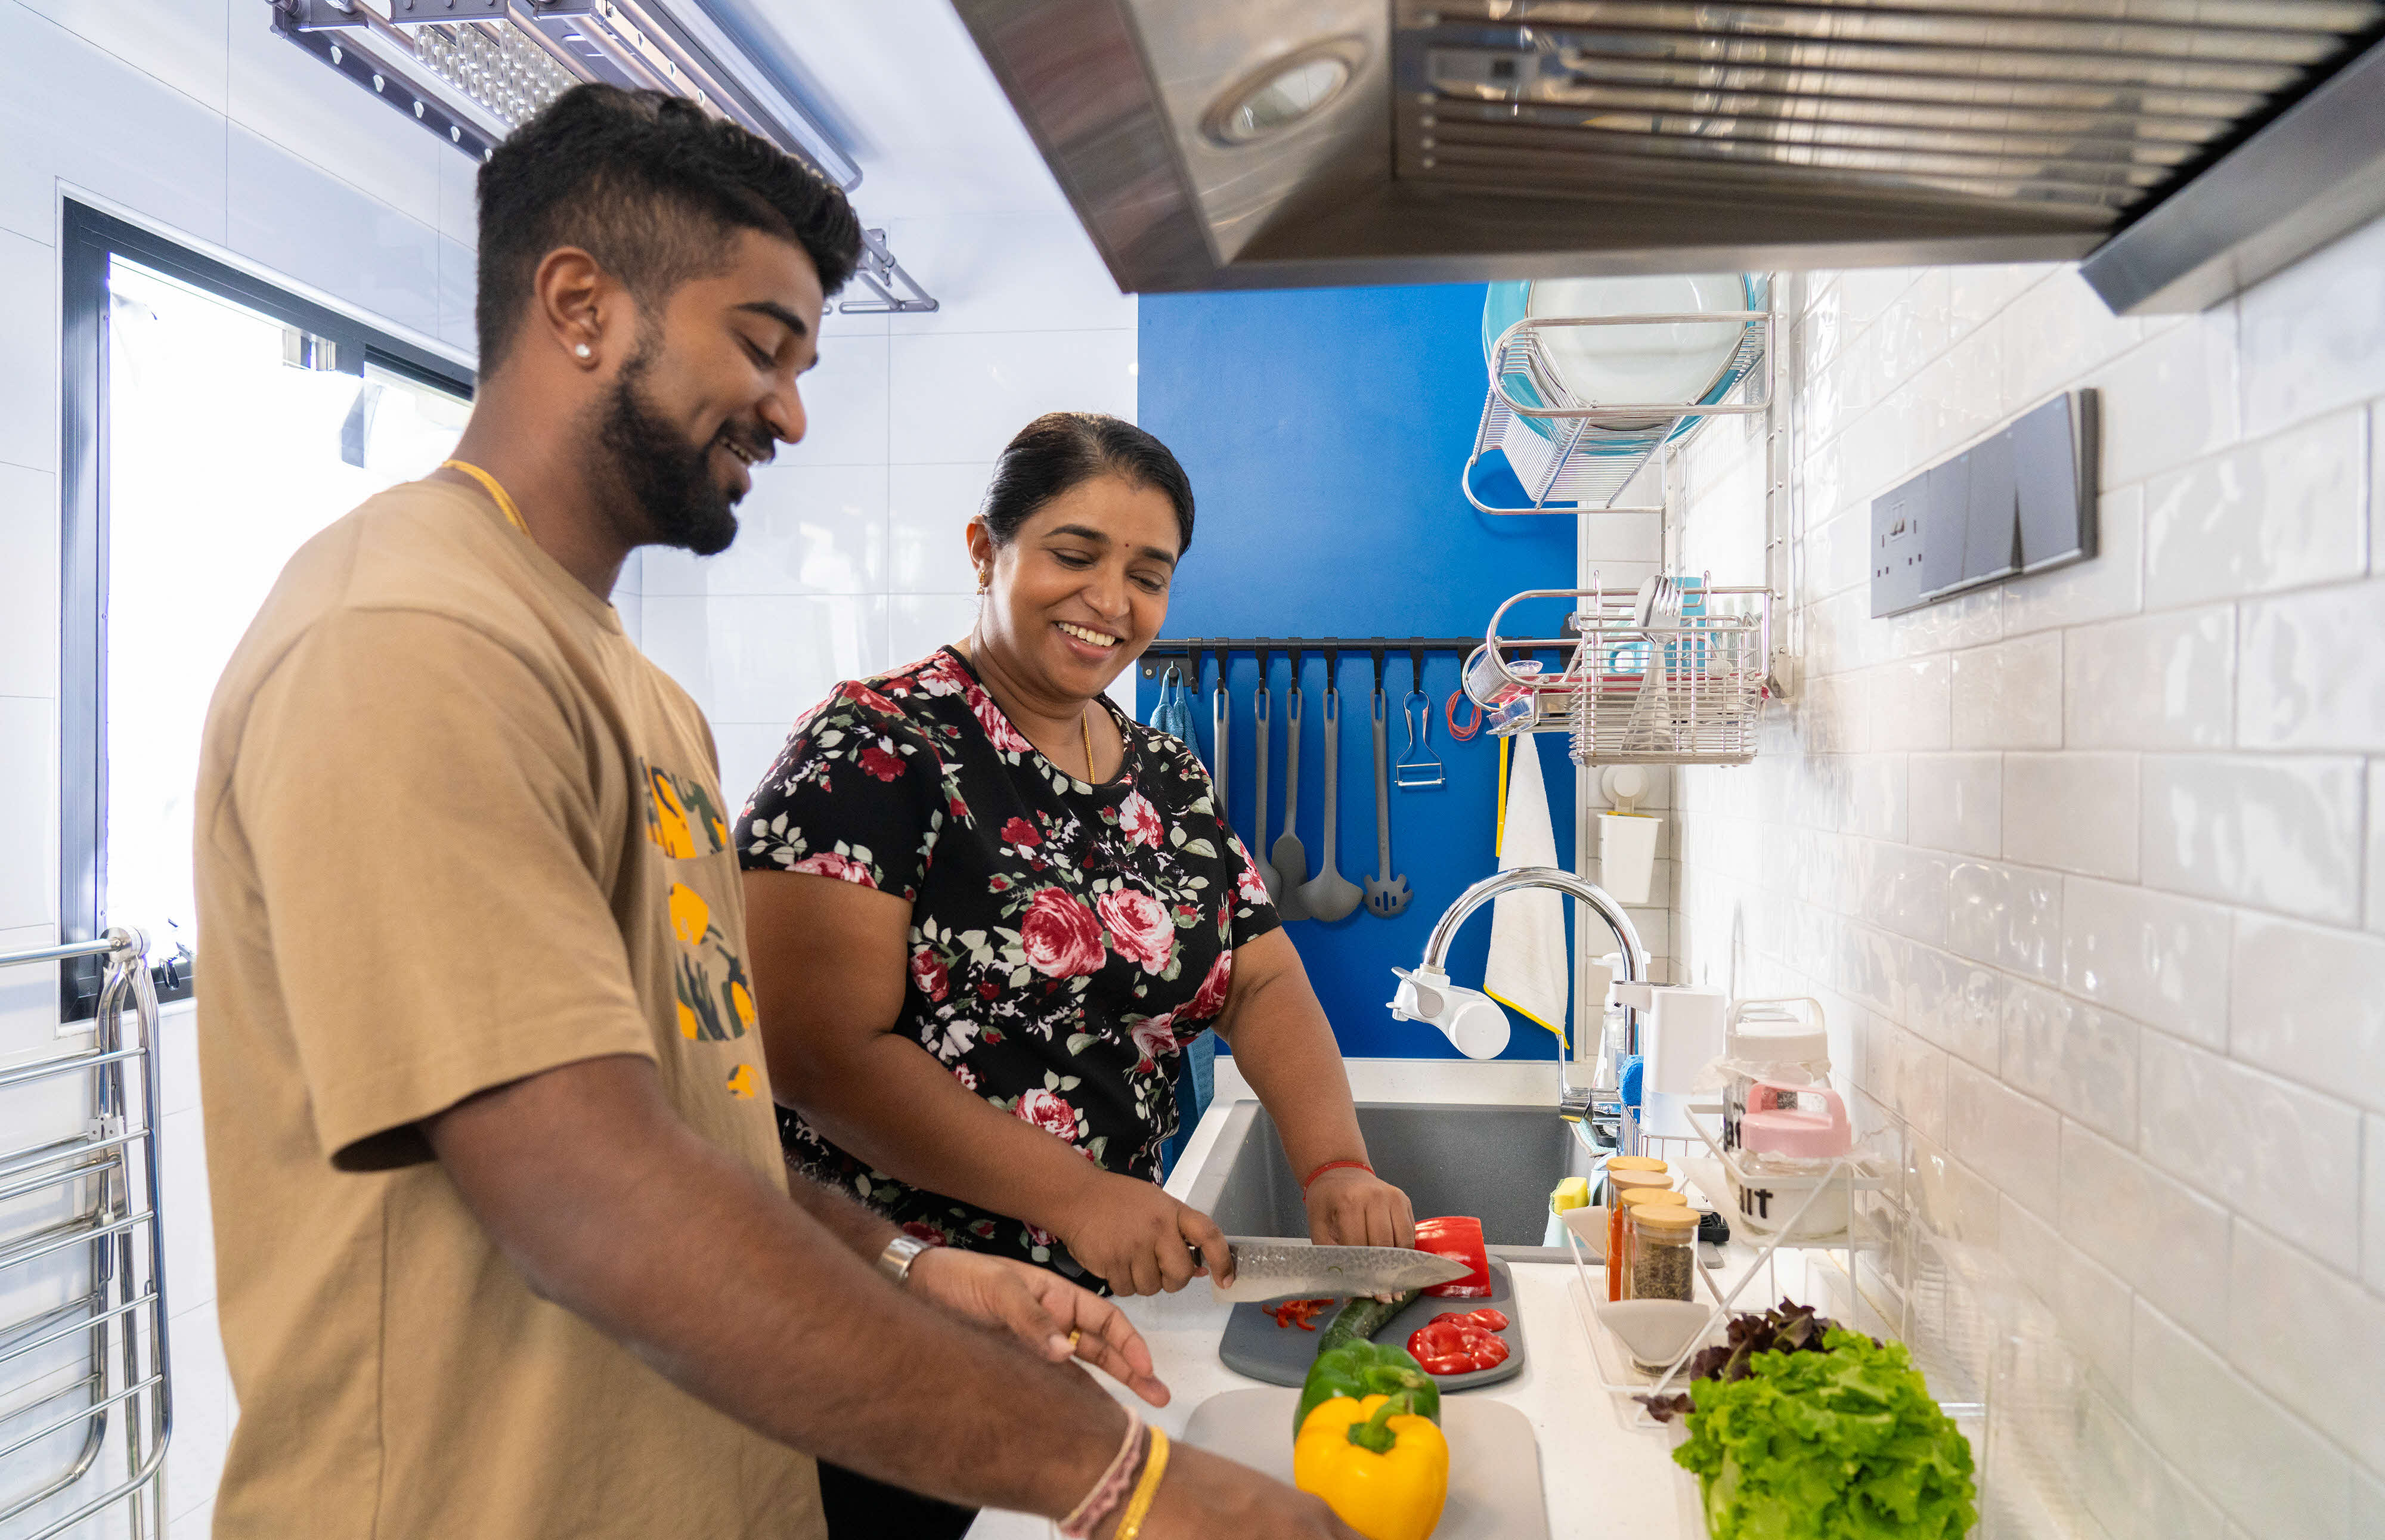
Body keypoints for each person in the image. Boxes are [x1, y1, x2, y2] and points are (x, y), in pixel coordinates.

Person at [193, 85, 1356, 1540]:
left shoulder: (629, 686)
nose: (795, 410)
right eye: (760, 346)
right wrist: (1112, 1478)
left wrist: (908, 1270)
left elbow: (704, 1127)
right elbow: (595, 1194)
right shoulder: (410, 638)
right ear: (580, 304)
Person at [736, 413, 1417, 1532]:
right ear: (984, 548)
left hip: (1089, 1322)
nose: (1111, 600)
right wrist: (1079, 1198)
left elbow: (1261, 978)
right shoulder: (875, 745)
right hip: (893, 1316)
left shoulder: (1165, 770)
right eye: (1074, 552)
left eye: (1148, 576)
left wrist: (1334, 1161)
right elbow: (816, 1057)